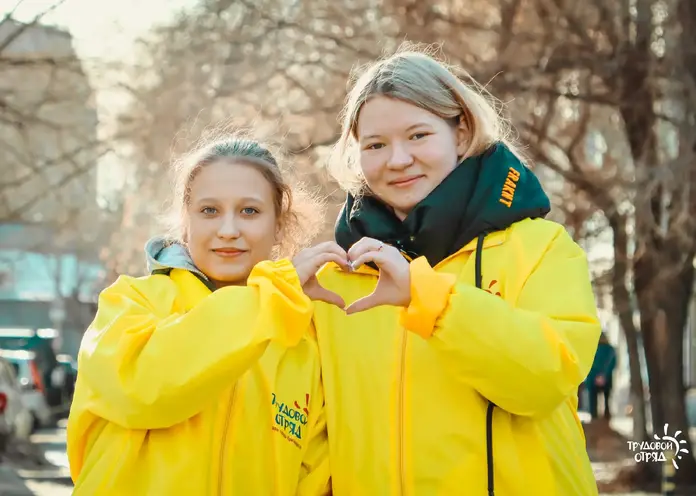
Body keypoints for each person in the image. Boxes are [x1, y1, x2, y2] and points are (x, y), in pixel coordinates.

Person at [312, 47, 603, 495]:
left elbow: (544, 380)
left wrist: (428, 298)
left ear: (461, 133)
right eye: (375, 145)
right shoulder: (336, 281)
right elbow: (314, 444)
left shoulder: (541, 248)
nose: (397, 160)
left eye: (418, 135)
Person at [67, 136, 337, 495]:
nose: (228, 230)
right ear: (185, 221)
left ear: (279, 226)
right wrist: (268, 301)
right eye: (209, 211)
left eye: (250, 211)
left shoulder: (303, 345)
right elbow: (145, 390)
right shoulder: (130, 302)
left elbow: (313, 480)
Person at [586, 332, 617, 420]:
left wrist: (596, 376)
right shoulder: (610, 349)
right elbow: (613, 363)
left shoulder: (592, 348)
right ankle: (607, 418)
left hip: (593, 378)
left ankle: (594, 418)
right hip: (606, 378)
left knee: (593, 400)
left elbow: (589, 363)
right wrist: (603, 375)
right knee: (607, 399)